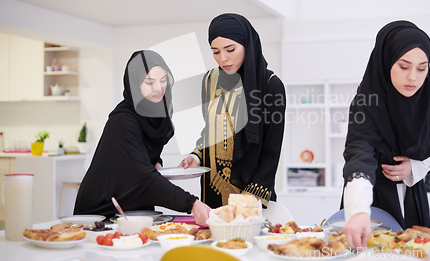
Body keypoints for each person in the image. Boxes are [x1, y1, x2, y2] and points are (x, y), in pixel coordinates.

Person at [341, 21, 430, 248]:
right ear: (388, 61)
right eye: (404, 66)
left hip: (413, 194)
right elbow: (359, 151)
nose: (413, 78)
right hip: (373, 197)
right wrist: (359, 210)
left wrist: (415, 167)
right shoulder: (366, 101)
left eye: (422, 68)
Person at [74, 50, 211, 225]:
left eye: (163, 80)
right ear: (134, 83)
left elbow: (141, 155)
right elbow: (144, 177)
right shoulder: (122, 121)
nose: (159, 88)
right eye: (149, 82)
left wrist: (154, 162)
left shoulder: (155, 112)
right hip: (103, 212)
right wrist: (192, 204)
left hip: (135, 208)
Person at [179, 13, 286, 208]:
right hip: (212, 187)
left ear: (247, 44)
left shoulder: (270, 85)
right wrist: (196, 155)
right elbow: (210, 129)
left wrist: (252, 197)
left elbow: (272, 150)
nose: (223, 58)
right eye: (215, 52)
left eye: (230, 49)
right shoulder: (210, 80)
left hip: (250, 191)